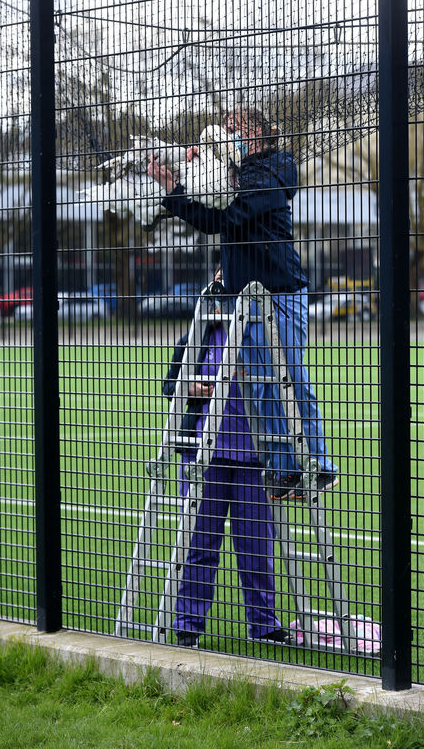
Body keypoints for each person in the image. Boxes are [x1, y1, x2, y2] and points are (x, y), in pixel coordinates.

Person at [148, 106, 338, 500]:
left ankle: (317, 463)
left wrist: (208, 173)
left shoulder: (274, 168)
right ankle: (284, 470)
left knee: (288, 374)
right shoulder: (237, 176)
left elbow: (231, 215)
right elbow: (212, 217)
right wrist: (175, 188)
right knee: (263, 385)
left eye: (236, 129)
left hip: (281, 292)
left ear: (258, 132)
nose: (228, 134)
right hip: (243, 297)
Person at [163, 271, 290, 648]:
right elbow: (171, 385)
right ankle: (188, 625)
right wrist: (193, 385)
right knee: (199, 545)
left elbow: (286, 381)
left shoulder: (260, 334)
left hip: (254, 456)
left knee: (256, 549)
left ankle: (265, 626)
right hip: (205, 455)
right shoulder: (199, 336)